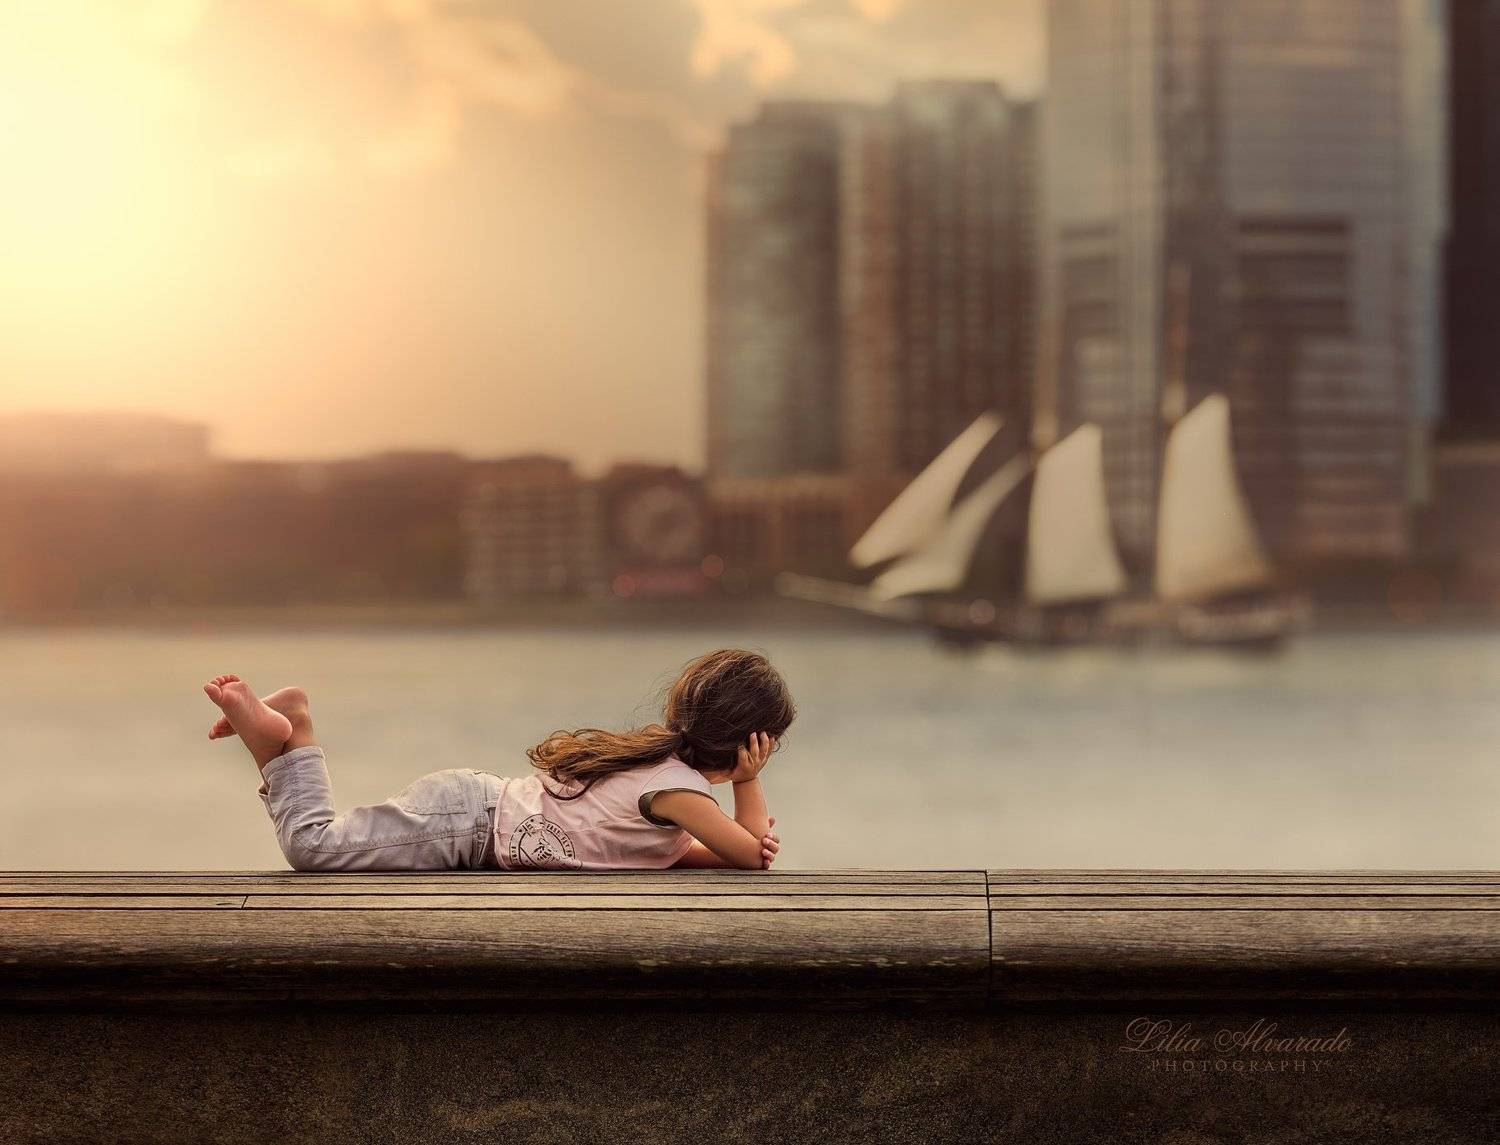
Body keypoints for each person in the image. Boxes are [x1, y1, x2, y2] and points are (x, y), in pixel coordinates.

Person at [202, 648, 791, 872]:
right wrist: (750, 783)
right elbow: (747, 855)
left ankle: (273, 741)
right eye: (769, 746)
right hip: (469, 825)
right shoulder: (680, 789)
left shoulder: (660, 771)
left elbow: (696, 853)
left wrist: (737, 837)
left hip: (472, 811)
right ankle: (297, 727)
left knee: (317, 845)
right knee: (312, 848)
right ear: (750, 742)